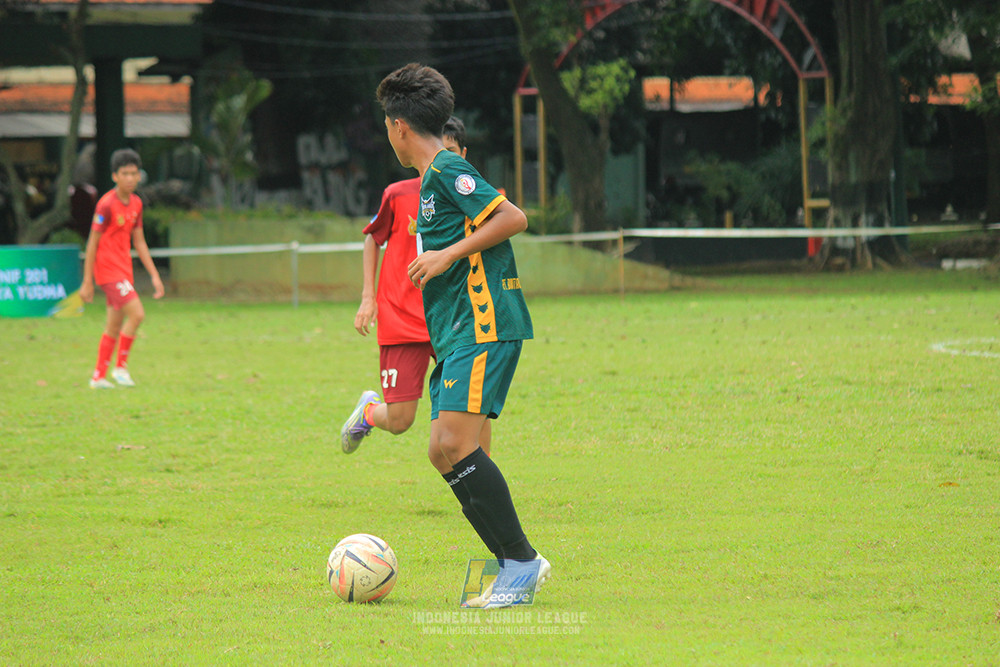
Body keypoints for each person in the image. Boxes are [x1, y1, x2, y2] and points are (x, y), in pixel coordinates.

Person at [366, 62, 549, 607]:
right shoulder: (428, 181)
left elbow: (512, 217)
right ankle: (508, 566)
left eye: (385, 123)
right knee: (443, 451)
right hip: (455, 333)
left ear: (399, 125)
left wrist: (446, 254)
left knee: (452, 443)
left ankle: (522, 563)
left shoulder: (446, 169)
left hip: (484, 322)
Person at [340, 117, 493, 456]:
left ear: (462, 155)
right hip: (401, 317)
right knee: (400, 420)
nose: (442, 160)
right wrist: (368, 298)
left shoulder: (469, 194)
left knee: (475, 405)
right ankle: (368, 412)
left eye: (450, 152)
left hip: (452, 315)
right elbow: (372, 238)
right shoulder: (398, 195)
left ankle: (482, 476)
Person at [79, 148, 164, 388]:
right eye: (124, 173)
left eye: (134, 173)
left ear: (139, 176)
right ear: (115, 176)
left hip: (124, 270)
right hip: (108, 271)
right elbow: (92, 242)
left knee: (114, 325)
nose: (130, 178)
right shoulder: (106, 205)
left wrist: (154, 275)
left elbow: (139, 242)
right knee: (137, 314)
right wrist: (87, 281)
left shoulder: (136, 204)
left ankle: (97, 377)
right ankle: (120, 368)